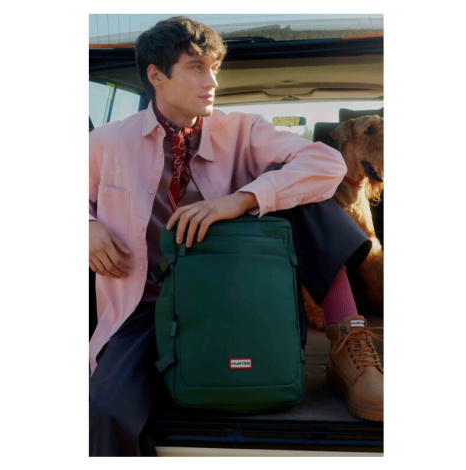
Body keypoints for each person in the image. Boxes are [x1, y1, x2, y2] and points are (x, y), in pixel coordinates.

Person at [89, 16, 383, 456]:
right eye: (196, 68)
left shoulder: (242, 130)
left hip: (238, 294)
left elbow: (327, 164)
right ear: (156, 75)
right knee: (104, 411)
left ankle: (348, 341)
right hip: (144, 305)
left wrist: (242, 199)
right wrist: (85, 227)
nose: (212, 82)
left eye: (215, 69)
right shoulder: (106, 142)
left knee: (304, 191)